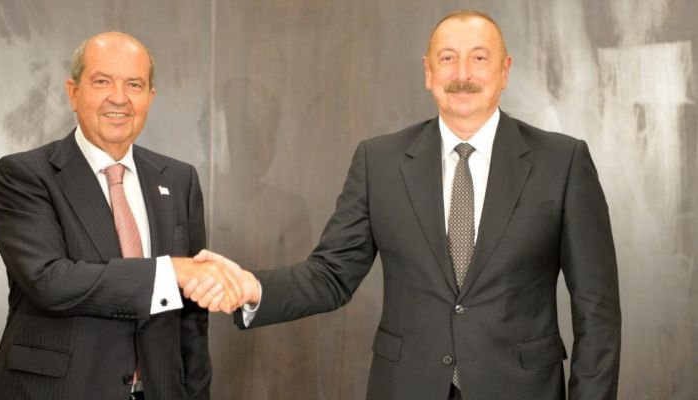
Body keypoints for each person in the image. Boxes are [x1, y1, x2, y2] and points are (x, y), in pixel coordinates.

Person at [188, 9, 621, 400]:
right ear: (428, 71)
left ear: (505, 70)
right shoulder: (379, 162)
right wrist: (252, 288)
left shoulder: (562, 162)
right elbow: (331, 275)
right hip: (406, 386)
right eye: (447, 58)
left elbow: (597, 310)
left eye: (479, 58)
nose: (462, 74)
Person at [0, 32, 241, 400]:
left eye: (134, 84)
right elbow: (48, 281)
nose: (119, 97)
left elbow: (191, 318)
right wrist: (169, 271)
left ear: (150, 96)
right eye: (102, 81)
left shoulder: (178, 179)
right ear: (73, 92)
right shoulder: (26, 174)